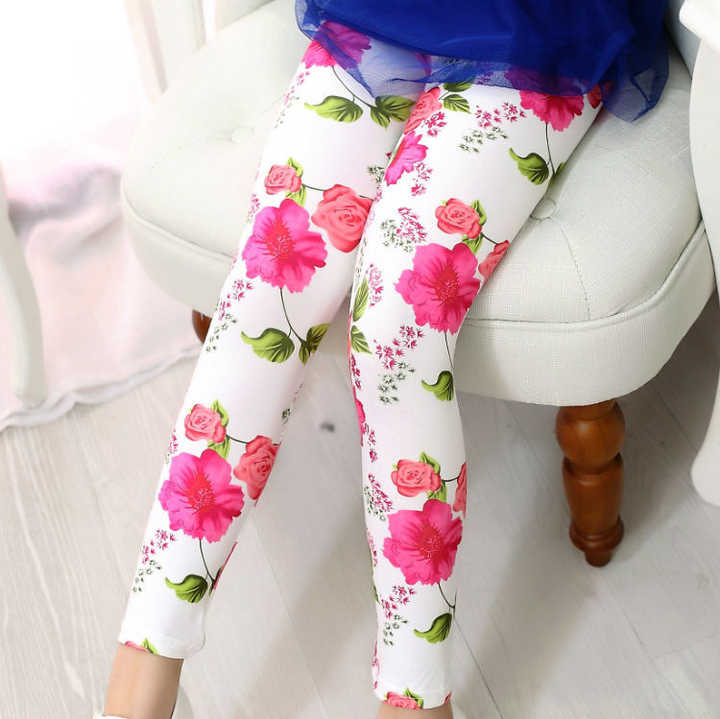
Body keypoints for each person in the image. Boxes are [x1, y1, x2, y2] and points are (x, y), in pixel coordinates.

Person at [99, 1, 670, 717]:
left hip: (541, 25)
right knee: (271, 282)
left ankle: (416, 697)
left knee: (398, 318)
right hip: (381, 13)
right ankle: (143, 665)